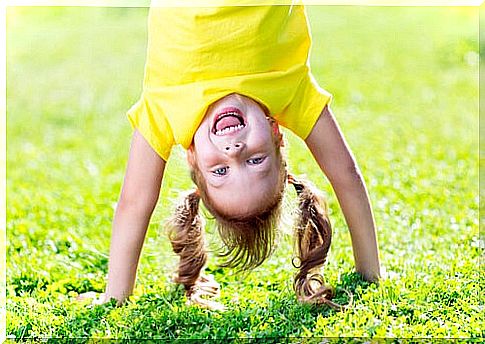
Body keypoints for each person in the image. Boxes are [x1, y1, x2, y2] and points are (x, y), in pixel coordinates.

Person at [80, 3, 380, 309]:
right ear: (276, 133)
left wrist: (115, 297)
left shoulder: (168, 111)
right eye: (256, 160)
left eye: (220, 171)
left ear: (193, 157)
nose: (234, 151)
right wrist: (370, 273)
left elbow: (135, 201)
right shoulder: (288, 91)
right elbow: (346, 174)